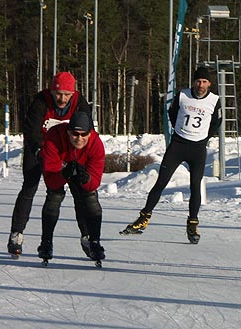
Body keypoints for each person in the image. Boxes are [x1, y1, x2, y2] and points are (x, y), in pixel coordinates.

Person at [120, 67, 222, 244]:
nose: (201, 85)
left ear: (209, 84)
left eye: (204, 82)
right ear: (193, 82)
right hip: (178, 145)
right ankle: (143, 219)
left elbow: (217, 121)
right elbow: (172, 113)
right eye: (198, 81)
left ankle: (192, 225)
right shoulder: (182, 95)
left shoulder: (214, 100)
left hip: (197, 149)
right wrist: (179, 130)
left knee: (195, 187)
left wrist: (205, 138)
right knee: (161, 182)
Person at [7, 72, 92, 258]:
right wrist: (40, 152)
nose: (62, 99)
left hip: (65, 149)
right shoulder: (41, 100)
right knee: (29, 187)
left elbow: (86, 131)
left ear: (73, 93)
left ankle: (87, 236)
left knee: (78, 189)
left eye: (66, 94)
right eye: (58, 94)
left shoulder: (79, 102)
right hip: (38, 146)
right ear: (52, 91)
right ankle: (16, 234)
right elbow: (32, 130)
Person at [37, 111, 106, 264]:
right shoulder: (54, 137)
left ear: (90, 132)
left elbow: (94, 183)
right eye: (75, 134)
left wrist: (86, 178)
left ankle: (94, 241)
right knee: (54, 196)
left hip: (81, 166)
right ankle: (46, 242)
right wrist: (64, 174)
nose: (79, 139)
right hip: (57, 167)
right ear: (68, 131)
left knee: (89, 198)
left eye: (84, 134)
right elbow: (51, 181)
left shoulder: (96, 144)